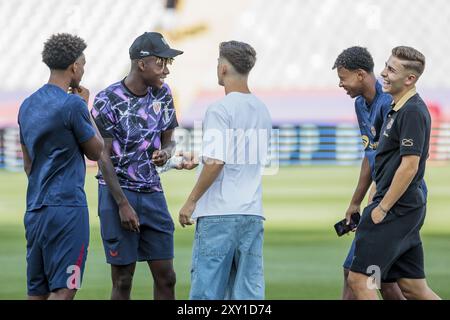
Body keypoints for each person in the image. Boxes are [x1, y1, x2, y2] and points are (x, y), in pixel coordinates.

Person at [91, 32, 183, 300]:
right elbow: (102, 156)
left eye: (168, 64)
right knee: (123, 280)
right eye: (161, 63)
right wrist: (122, 204)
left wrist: (165, 153)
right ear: (141, 63)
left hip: (152, 192)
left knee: (167, 277)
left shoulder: (163, 94)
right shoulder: (107, 99)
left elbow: (169, 143)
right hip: (117, 194)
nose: (166, 70)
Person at [178, 40, 272, 300]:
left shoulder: (220, 109)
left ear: (224, 69)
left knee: (206, 295)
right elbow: (240, 155)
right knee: (248, 295)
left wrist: (191, 201)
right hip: (251, 213)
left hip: (219, 213)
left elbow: (217, 161)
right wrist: (201, 156)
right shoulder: (262, 109)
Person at [347, 46, 440, 300]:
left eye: (391, 69)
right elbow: (385, 161)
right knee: (412, 286)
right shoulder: (396, 107)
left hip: (396, 209)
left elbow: (410, 166)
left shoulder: (412, 111)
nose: (383, 74)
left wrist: (382, 208)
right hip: (402, 208)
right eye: (386, 66)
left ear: (410, 79)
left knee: (360, 279)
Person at [18, 33, 104, 300]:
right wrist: (85, 107)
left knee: (37, 292)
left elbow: (28, 165)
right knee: (64, 291)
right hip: (67, 209)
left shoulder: (27, 105)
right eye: (84, 65)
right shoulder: (72, 105)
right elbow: (96, 150)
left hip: (34, 209)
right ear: (74, 67)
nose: (83, 70)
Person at [333, 46, 405, 300]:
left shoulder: (390, 103)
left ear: (361, 74)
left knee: (357, 274)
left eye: (343, 78)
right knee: (386, 281)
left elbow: (401, 160)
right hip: (382, 198)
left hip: (393, 199)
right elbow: (370, 154)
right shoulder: (361, 105)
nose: (341, 84)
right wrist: (355, 202)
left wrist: (378, 200)